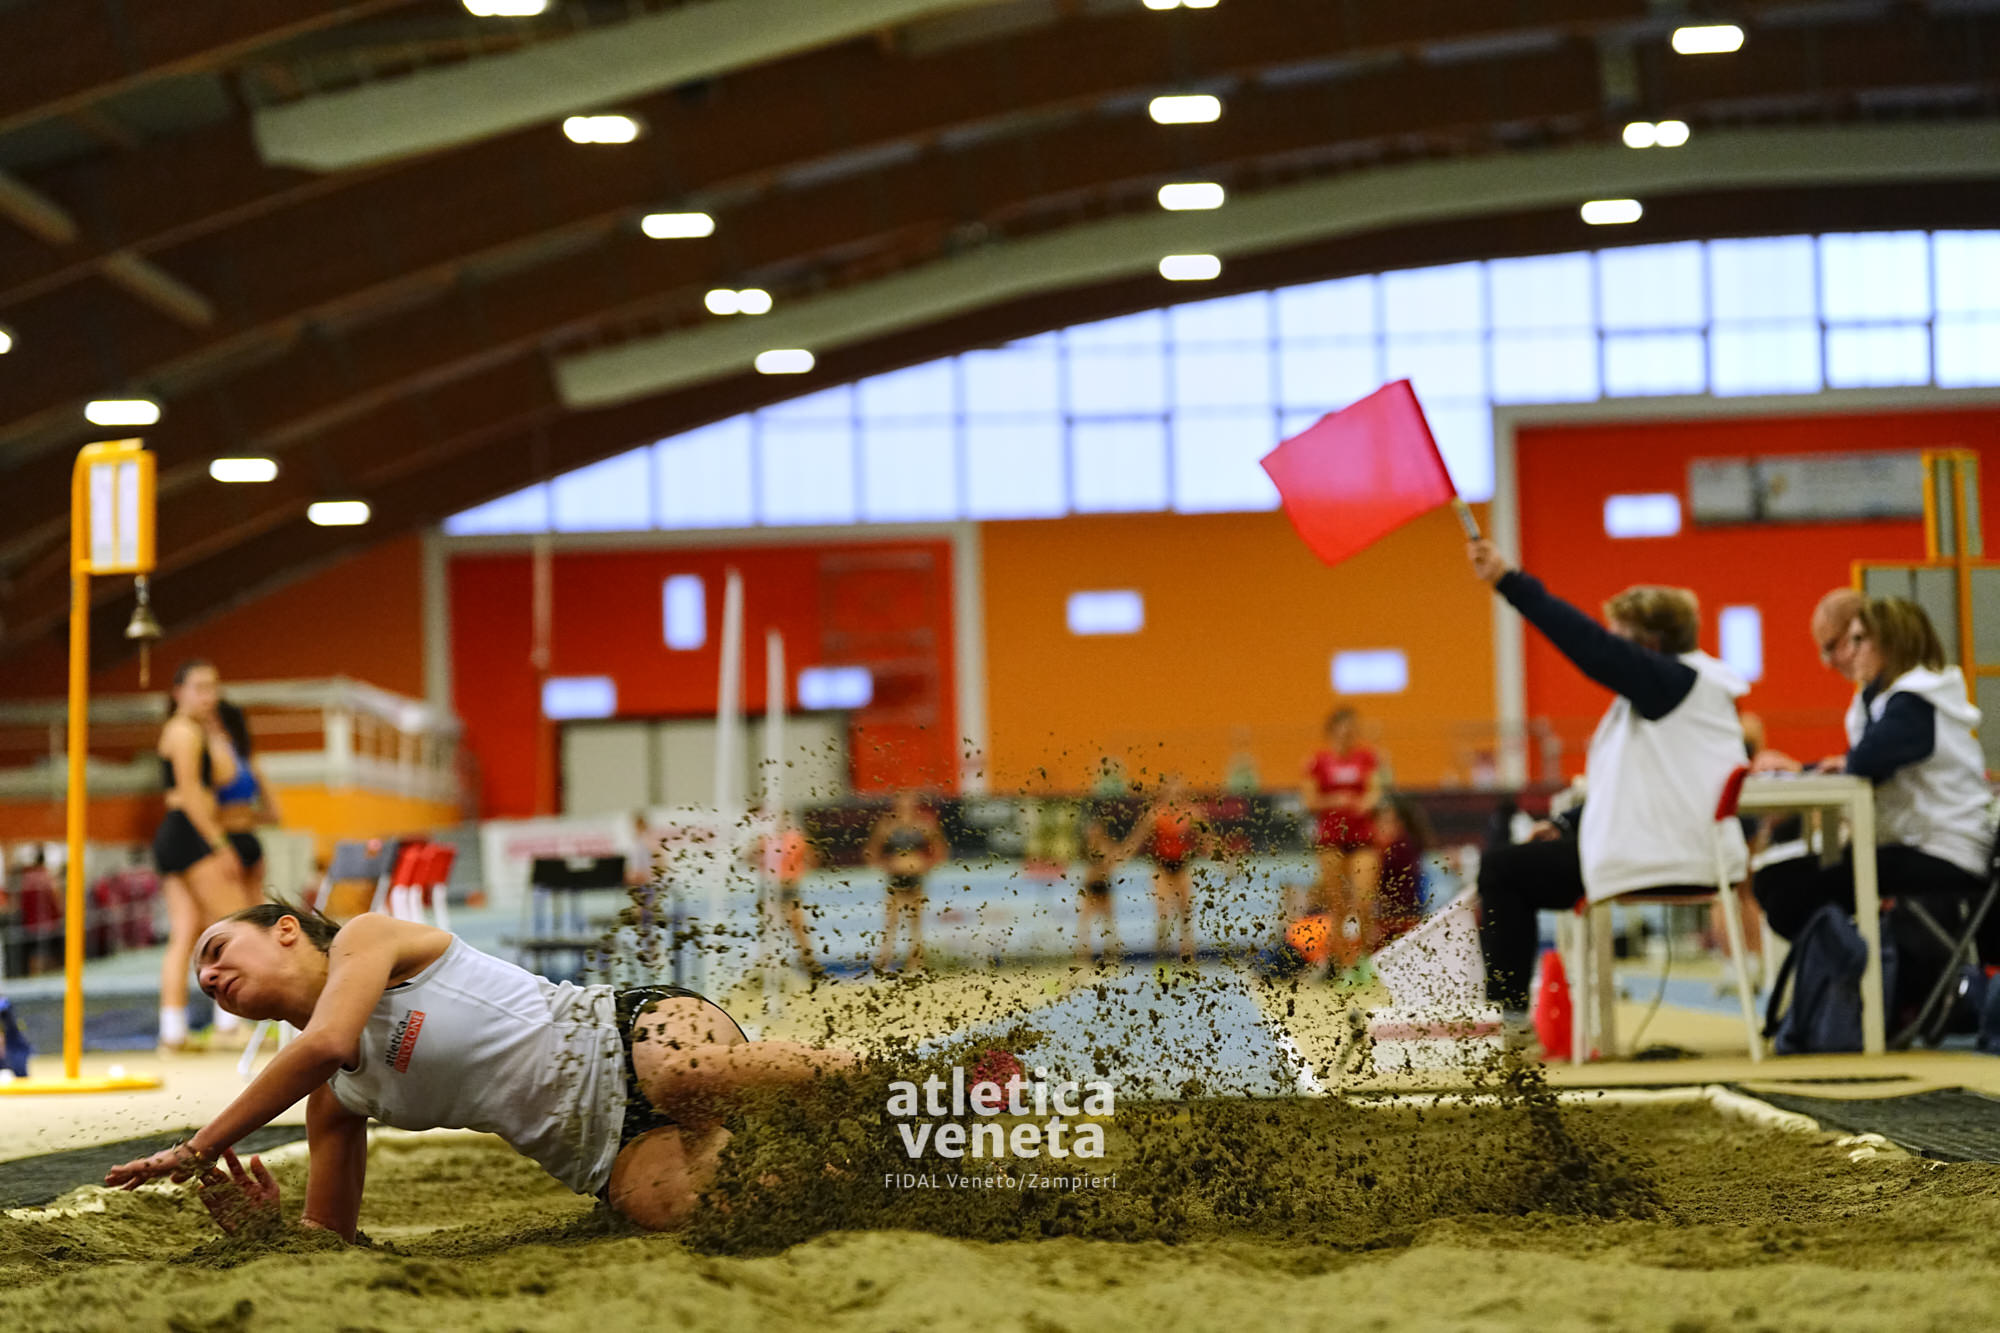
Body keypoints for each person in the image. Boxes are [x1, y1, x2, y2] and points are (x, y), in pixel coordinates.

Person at [102, 903, 857, 1234]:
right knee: (675, 1207)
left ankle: (889, 1079)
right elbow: (329, 1238)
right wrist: (267, 1232)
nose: (209, 976)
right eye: (203, 981)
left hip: (631, 1034)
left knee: (684, 1078)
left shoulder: (368, 937)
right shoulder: (333, 1099)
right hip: (606, 1152)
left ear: (287, 931)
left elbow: (328, 1038)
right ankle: (878, 1169)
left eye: (216, 952)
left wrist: (199, 1147)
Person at [1466, 541, 1750, 1015]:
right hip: (1668, 847)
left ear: (1649, 646)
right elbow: (1628, 786)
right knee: (1512, 866)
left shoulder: (1675, 684)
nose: (1610, 648)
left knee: (1502, 869)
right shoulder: (1671, 698)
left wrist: (1510, 582)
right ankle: (1511, 1016)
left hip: (1663, 855)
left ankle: (1509, 1021)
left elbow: (1590, 647)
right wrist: (1566, 824)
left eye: (1620, 639)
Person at [1751, 597, 1994, 945]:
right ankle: (1854, 965)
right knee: (1776, 882)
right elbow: (1863, 760)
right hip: (1922, 844)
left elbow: (1865, 762)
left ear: (1889, 641)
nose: (1851, 652)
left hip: (1944, 851)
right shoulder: (1892, 699)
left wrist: (1810, 768)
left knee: (1788, 890)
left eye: (1859, 640)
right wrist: (1803, 768)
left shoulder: (1915, 698)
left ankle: (1856, 967)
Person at [153, 660, 254, 1051]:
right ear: (178, 692)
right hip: (189, 832)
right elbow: (191, 793)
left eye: (213, 688)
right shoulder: (182, 732)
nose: (208, 696)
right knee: (236, 924)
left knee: (186, 932)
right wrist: (220, 843)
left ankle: (173, 1032)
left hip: (180, 833)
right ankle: (229, 1023)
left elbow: (227, 775)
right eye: (199, 688)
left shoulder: (195, 731)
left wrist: (215, 733)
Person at [1301, 708, 1385, 972]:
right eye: (1343, 729)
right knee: (1337, 905)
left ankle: (1365, 960)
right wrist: (1334, 800)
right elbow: (1310, 800)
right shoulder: (1318, 761)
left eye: (1352, 729)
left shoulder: (1367, 758)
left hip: (1362, 838)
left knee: (1364, 902)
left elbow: (1375, 791)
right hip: (1331, 840)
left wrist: (1364, 803)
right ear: (1332, 731)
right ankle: (1341, 964)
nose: (1348, 734)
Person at [1124, 775, 1205, 965]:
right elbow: (1137, 838)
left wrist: (1224, 858)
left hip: (1183, 866)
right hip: (1162, 867)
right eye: (1170, 791)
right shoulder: (1155, 813)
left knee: (1186, 913)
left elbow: (1207, 838)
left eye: (1178, 791)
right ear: (1164, 792)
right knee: (1163, 913)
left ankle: (1187, 957)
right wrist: (1123, 855)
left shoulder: (1191, 813)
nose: (1174, 795)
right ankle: (1162, 956)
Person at [866, 791, 947, 973]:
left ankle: (915, 964)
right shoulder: (887, 825)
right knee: (891, 922)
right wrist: (887, 865)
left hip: (915, 877)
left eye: (908, 802)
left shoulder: (924, 825)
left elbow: (940, 850)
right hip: (895, 877)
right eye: (901, 802)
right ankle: (884, 963)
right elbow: (871, 852)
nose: (904, 806)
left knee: (915, 922)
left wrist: (925, 865)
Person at [214, 699, 282, 898]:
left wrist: (228, 817)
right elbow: (275, 814)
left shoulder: (214, 759)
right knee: (254, 909)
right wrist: (247, 815)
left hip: (226, 841)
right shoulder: (249, 760)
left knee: (229, 910)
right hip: (250, 839)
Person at [759, 812, 820, 977]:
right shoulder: (766, 840)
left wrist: (798, 873)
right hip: (771, 888)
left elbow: (812, 858)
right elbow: (753, 857)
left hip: (788, 887)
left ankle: (810, 965)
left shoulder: (796, 839)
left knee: (797, 926)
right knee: (769, 928)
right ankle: (770, 966)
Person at [1073, 801, 1126, 965]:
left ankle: (1113, 957)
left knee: (1109, 923)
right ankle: (1083, 958)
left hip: (1103, 887)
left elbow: (1112, 863)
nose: (1093, 832)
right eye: (1092, 830)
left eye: (1096, 829)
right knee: (1085, 924)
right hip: (1090, 887)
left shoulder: (1106, 845)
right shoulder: (1087, 846)